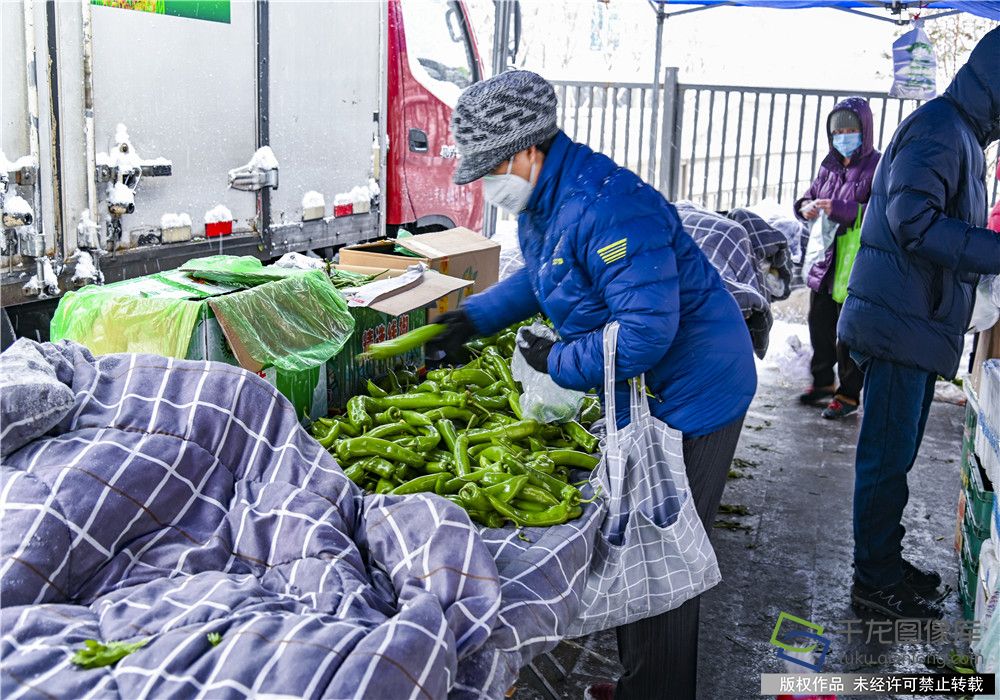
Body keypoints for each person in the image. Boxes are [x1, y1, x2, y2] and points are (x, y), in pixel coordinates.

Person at [427, 70, 757, 700]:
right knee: (638, 547)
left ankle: (657, 691)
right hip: (651, 392)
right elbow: (546, 276)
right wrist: (474, 317)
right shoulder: (550, 200)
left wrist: (559, 361)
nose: (487, 184)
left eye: (490, 167)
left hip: (695, 392)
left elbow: (645, 334)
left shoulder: (608, 205)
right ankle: (640, 683)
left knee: (662, 558)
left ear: (528, 149)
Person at [838, 26, 1000, 619]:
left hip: (914, 323)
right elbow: (914, 222)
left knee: (897, 457)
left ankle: (883, 559)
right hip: (898, 326)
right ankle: (873, 582)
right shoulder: (939, 129)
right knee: (885, 461)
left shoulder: (961, 134)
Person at [794, 97, 880, 419]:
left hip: (853, 265)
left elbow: (879, 212)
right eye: (837, 132)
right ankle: (822, 383)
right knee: (819, 323)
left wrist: (842, 209)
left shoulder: (877, 167)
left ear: (864, 131)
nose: (843, 137)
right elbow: (810, 196)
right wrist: (804, 207)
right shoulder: (828, 166)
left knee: (848, 332)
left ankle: (848, 394)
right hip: (825, 260)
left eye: (849, 131)